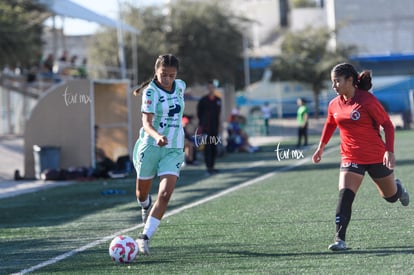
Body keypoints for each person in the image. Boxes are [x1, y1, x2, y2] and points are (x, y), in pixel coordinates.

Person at [312, 63, 410, 251]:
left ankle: (398, 187)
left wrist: (389, 151)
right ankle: (340, 239)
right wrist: (321, 148)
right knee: (345, 195)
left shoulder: (368, 101)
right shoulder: (334, 104)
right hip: (351, 157)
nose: (334, 86)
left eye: (337, 81)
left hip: (376, 156)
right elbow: (330, 123)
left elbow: (388, 125)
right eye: (332, 82)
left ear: (350, 80)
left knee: (390, 197)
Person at [132, 54, 185, 255]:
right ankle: (145, 205)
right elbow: (146, 123)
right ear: (156, 71)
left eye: (172, 75)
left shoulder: (181, 86)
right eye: (164, 74)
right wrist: (157, 136)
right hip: (151, 146)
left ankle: (144, 237)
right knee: (141, 193)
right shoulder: (150, 93)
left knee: (165, 193)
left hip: (174, 149)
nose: (168, 79)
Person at [197, 80, 222, 175]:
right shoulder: (203, 100)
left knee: (214, 148)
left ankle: (212, 166)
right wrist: (201, 125)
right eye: (210, 87)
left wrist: (219, 127)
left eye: (213, 87)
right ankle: (208, 167)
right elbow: (199, 113)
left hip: (214, 128)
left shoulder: (218, 100)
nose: (211, 89)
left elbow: (219, 115)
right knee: (207, 148)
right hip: (206, 128)